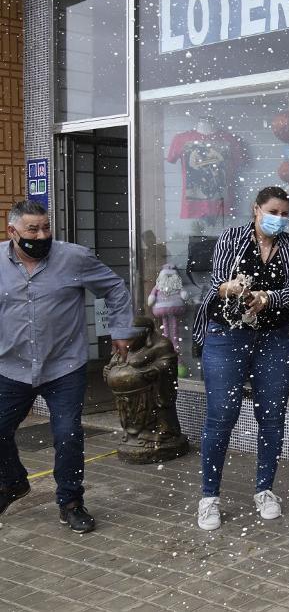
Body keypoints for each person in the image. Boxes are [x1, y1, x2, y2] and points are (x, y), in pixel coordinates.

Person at [0, 200, 141, 533]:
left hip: (64, 366)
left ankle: (71, 502)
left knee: (67, 435)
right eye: (32, 229)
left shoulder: (73, 257)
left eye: (46, 227)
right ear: (12, 232)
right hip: (11, 367)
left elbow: (115, 288)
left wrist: (121, 330)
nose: (42, 235)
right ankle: (14, 482)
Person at [192, 187, 289, 531]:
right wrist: (237, 290)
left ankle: (264, 490)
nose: (280, 219)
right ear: (256, 209)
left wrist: (267, 297)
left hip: (275, 337)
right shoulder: (232, 237)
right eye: (274, 211)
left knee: (272, 416)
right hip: (227, 332)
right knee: (221, 416)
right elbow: (218, 282)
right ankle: (209, 497)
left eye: (286, 213)